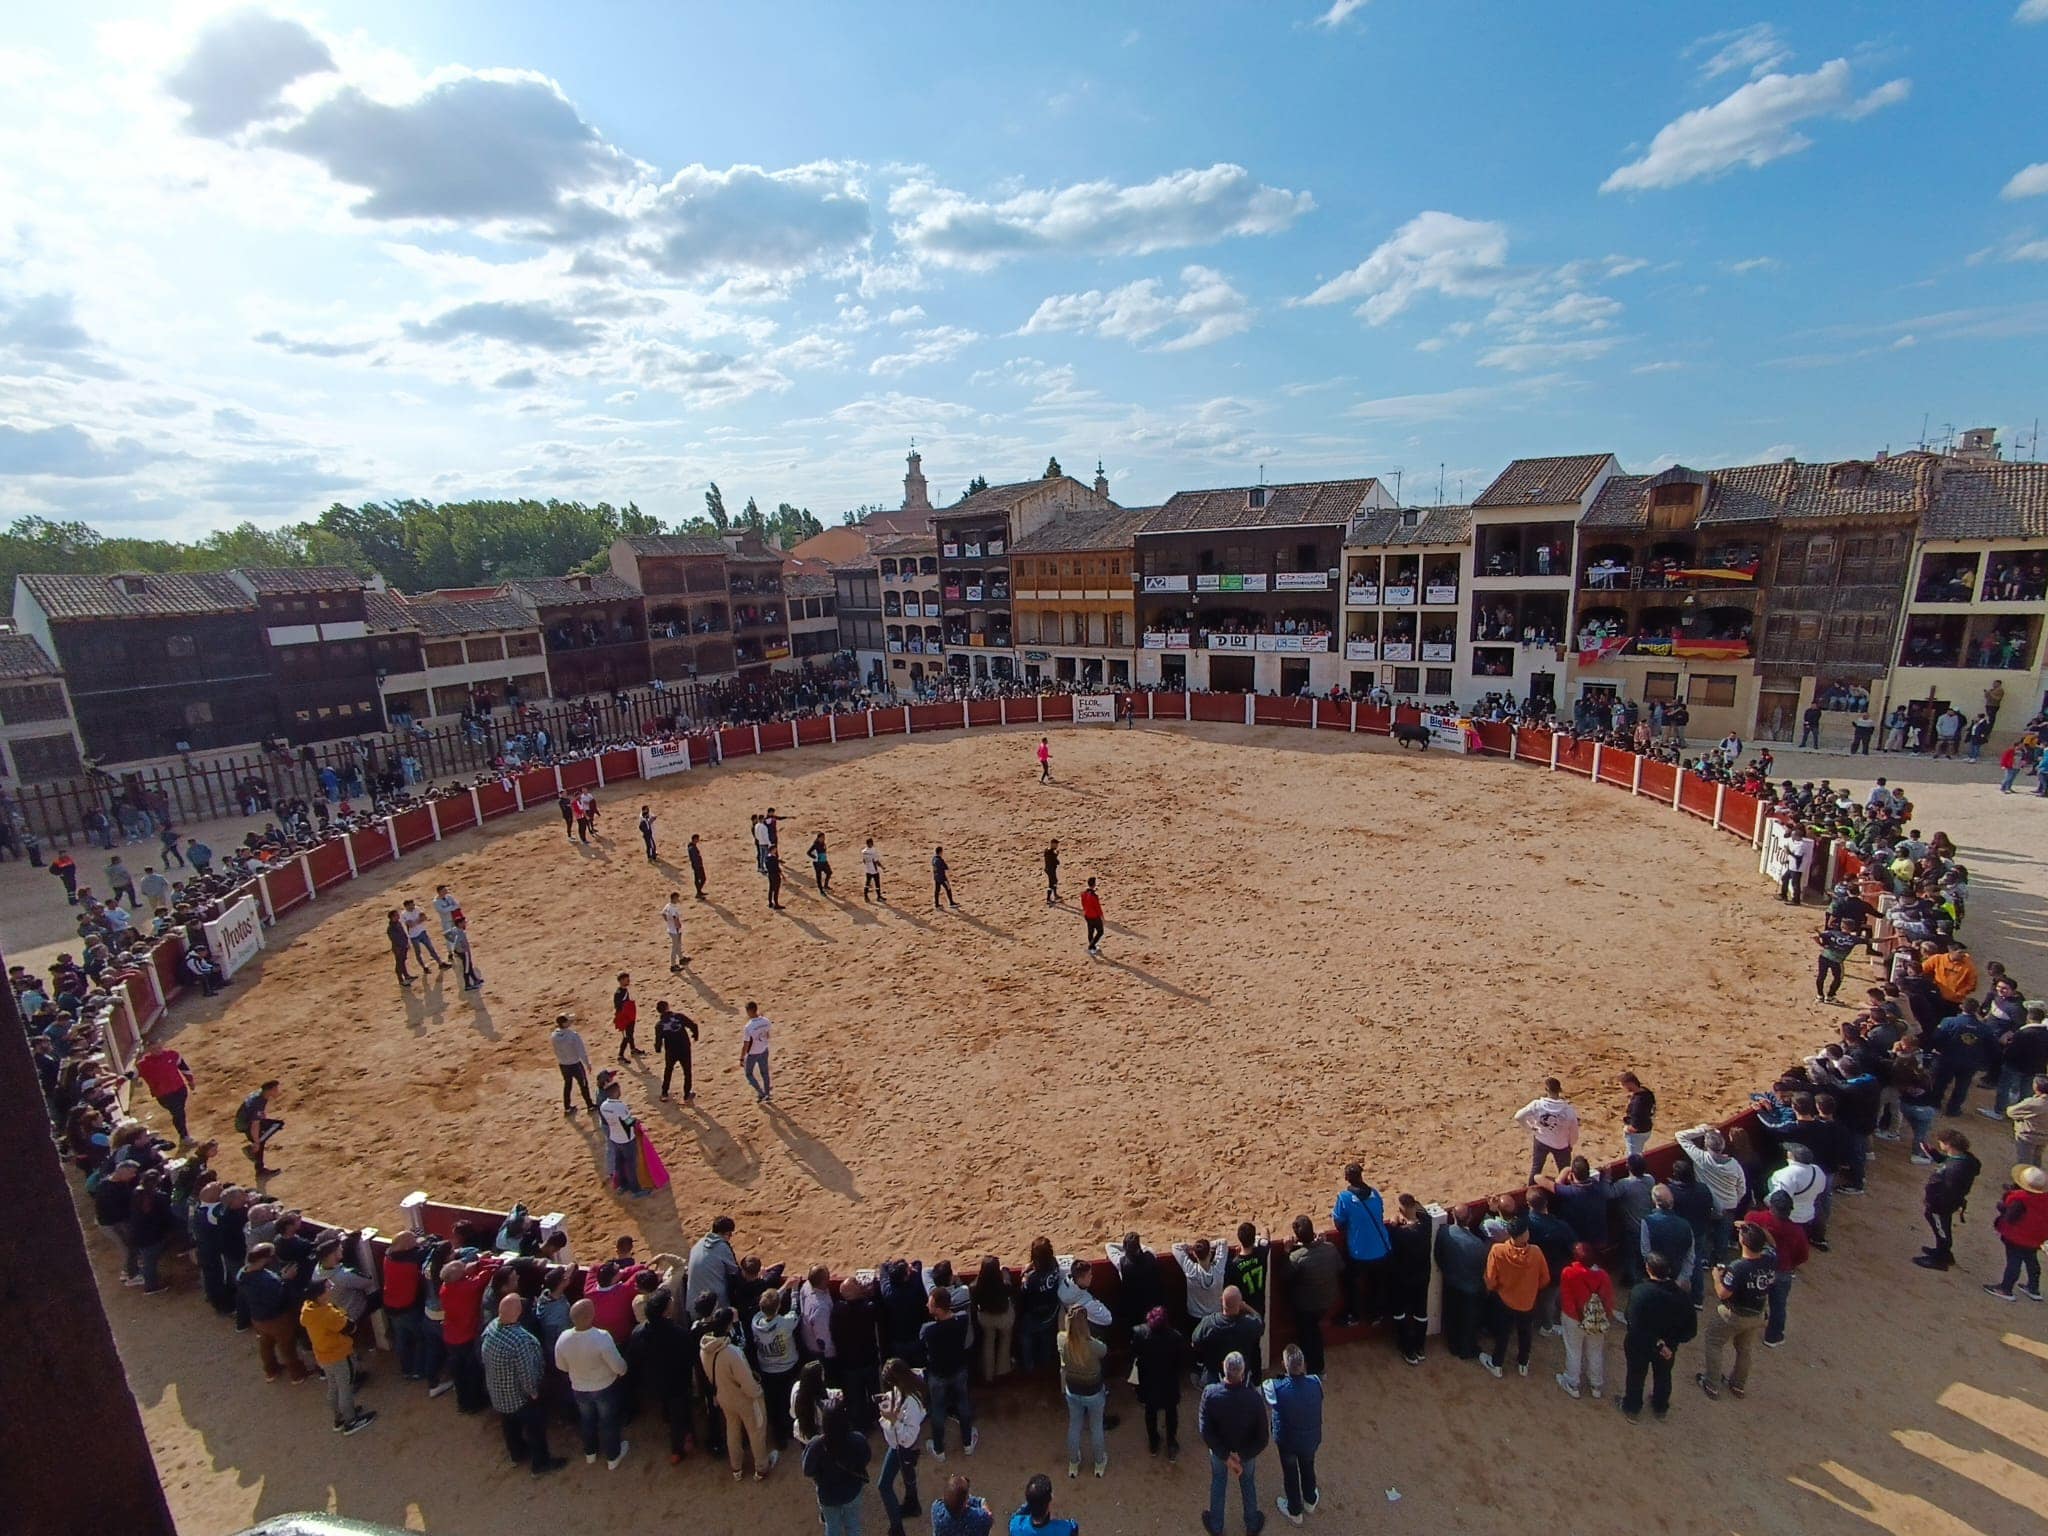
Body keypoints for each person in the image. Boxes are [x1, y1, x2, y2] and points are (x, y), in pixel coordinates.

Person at [1697, 1222, 1776, 1401]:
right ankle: (1738, 1385)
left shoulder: (1739, 1267)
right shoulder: (1770, 1259)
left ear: (1743, 1242)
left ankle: (1711, 1384)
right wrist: (1755, 1229)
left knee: (1714, 1342)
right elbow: (1773, 1244)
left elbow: (1723, 1293)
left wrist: (1717, 1278)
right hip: (1757, 1313)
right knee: (1744, 1349)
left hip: (1734, 1314)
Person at [483, 1292, 560, 1474]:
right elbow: (528, 1373)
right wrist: (533, 1392)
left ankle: (517, 1454)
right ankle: (540, 1464)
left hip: (498, 1393)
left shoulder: (492, 1326)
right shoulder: (521, 1340)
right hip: (520, 1398)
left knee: (510, 1426)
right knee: (535, 1429)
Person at [1617, 1251, 1695, 1422]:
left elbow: (1632, 1321)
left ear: (1648, 1268)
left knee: (1636, 1375)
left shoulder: (1641, 1292)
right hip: (1668, 1347)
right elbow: (1691, 1329)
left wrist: (1659, 1343)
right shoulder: (1682, 1296)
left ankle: (1632, 1408)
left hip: (1640, 1345)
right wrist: (1669, 1344)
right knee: (1663, 1376)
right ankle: (1660, 1407)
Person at [1198, 1352, 1268, 1536]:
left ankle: (1216, 1525)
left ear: (1223, 1367)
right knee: (1248, 1482)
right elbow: (1263, 1438)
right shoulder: (1254, 1399)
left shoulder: (1210, 1393)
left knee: (1218, 1481)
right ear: (1243, 1373)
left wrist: (1226, 1456)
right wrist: (1241, 1456)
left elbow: (1206, 1431)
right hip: (1245, 1452)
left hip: (1220, 1452)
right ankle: (1252, 1524)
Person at [556, 1296, 630, 1468]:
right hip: (603, 1387)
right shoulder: (601, 1337)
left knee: (587, 1420)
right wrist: (622, 1371)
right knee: (608, 1420)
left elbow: (561, 1366)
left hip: (579, 1387)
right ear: (590, 1316)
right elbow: (618, 1366)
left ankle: (590, 1452)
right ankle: (613, 1456)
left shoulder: (563, 1338)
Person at [703, 1305, 774, 1480]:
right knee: (756, 1430)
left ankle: (736, 1467)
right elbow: (747, 1382)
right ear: (728, 1326)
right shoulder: (732, 1352)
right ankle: (761, 1467)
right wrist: (758, 1392)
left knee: (732, 1429)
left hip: (723, 1395)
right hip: (742, 1397)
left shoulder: (704, 1347)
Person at [302, 1277, 376, 1435]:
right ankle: (351, 1421)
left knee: (333, 1387)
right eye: (328, 1287)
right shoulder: (328, 1314)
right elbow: (350, 1327)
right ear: (320, 1296)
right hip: (338, 1354)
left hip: (323, 1355)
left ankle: (339, 1417)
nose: (332, 1288)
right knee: (346, 1387)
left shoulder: (309, 1309)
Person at [1481, 1219, 1548, 1379]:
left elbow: (1490, 1280)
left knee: (1503, 1333)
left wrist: (1497, 1289)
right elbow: (1545, 1279)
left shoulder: (1498, 1250)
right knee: (1525, 1332)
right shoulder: (1536, 1252)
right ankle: (1523, 1363)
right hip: (1527, 1301)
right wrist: (1531, 1289)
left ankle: (1497, 1364)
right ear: (1526, 1234)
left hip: (1505, 1300)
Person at [1263, 1343, 1322, 1527]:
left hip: (1287, 1440)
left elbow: (1267, 1396)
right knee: (1308, 1466)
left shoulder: (1274, 1386)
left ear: (1283, 1364)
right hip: (1310, 1438)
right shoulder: (1315, 1382)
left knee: (1290, 1473)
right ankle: (1310, 1499)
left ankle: (1295, 1510)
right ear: (1303, 1365)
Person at [922, 1286, 978, 1460]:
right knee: (963, 1404)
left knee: (938, 1410)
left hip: (938, 1375)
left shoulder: (928, 1329)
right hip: (958, 1370)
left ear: (938, 1309)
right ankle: (967, 1443)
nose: (927, 1305)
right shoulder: (961, 1319)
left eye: (930, 1304)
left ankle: (939, 1449)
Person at [1331, 1164, 1391, 1326]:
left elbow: (1338, 1222)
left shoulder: (1344, 1198)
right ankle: (1376, 1314)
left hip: (1359, 1252)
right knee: (1377, 1283)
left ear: (1347, 1178)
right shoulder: (1375, 1194)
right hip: (1381, 1248)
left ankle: (1354, 1315)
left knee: (1352, 1284)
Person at [1749, 1190, 1810, 1347]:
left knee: (1751, 1298)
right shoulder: (1797, 1231)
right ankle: (1773, 1336)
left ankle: (1746, 1328)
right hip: (1782, 1271)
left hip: (1758, 1267)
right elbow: (1802, 1255)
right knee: (1778, 1305)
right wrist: (1789, 1264)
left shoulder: (1756, 1218)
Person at [803, 1398, 872, 1536]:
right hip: (852, 1491)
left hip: (828, 1495)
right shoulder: (857, 1439)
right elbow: (866, 1458)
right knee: (853, 1526)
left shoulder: (817, 1445)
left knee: (832, 1528)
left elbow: (807, 1470)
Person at [1555, 1242, 1615, 1400]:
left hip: (1574, 1317)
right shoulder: (1604, 1276)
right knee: (1595, 1351)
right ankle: (1596, 1385)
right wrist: (1605, 1317)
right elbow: (1608, 1300)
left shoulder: (1569, 1272)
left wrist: (1572, 1314)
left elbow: (1566, 1297)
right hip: (1597, 1317)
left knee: (1574, 1350)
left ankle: (1572, 1383)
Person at [1282, 1215, 1341, 1376]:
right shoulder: (1329, 1247)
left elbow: (1285, 1275)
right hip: (1328, 1299)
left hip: (1306, 1305)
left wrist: (1287, 1251)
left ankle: (1314, 1369)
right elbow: (1340, 1267)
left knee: (1309, 1334)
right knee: (1311, 1331)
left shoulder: (1296, 1257)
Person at [1916, 1129, 1982, 1270]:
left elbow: (1948, 1190)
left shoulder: (1954, 1169)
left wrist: (1933, 1202)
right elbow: (1947, 1161)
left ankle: (1941, 1259)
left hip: (1941, 1205)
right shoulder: (1966, 1159)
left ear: (1948, 1145)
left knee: (1942, 1230)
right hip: (1948, 1203)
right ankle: (1943, 1253)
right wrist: (1934, 1154)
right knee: (1942, 1227)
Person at [877, 1357, 929, 1536]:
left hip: (903, 1447)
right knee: (908, 1475)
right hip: (901, 1446)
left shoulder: (912, 1403)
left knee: (884, 1485)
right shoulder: (905, 1388)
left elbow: (908, 1437)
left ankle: (897, 1529)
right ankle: (912, 1504)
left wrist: (893, 1420)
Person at [1058, 1303, 1108, 1478]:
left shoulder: (1062, 1340)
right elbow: (1104, 1351)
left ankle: (1073, 1463)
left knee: (1074, 1426)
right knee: (1096, 1427)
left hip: (1073, 1389)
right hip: (1093, 1390)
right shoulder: (1093, 1345)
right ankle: (1099, 1463)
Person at [1985, 1164, 2048, 1300]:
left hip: (2017, 1237)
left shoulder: (2019, 1199)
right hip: (2036, 1237)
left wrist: (2002, 1207)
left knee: (2014, 1261)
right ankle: (2033, 1288)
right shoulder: (2045, 1199)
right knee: (2031, 1260)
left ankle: (2006, 1289)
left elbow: (2010, 1218)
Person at [1131, 1305, 1186, 1461]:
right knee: (1171, 1413)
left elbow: (1135, 1355)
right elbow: (1179, 1363)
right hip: (1168, 1382)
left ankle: (1153, 1442)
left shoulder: (1139, 1334)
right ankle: (1171, 1443)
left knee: (1150, 1412)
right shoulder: (1175, 1337)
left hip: (1148, 1383)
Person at [1386, 1194, 1433, 1365]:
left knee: (1400, 1312)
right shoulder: (1426, 1224)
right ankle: (1420, 1347)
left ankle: (1407, 1349)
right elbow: (1422, 1210)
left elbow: (1390, 1235)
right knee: (1421, 1312)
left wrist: (1394, 1219)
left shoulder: (1399, 1233)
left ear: (1400, 1210)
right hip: (1422, 1276)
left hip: (1403, 1279)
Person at [1515, 1078, 1580, 1179]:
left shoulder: (1537, 1105)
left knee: (1536, 1168)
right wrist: (1570, 1144)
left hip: (1541, 1140)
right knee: (1564, 1171)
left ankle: (1530, 1190)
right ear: (1560, 1090)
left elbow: (1518, 1116)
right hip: (1561, 1145)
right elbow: (1574, 1132)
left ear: (1546, 1089)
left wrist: (1531, 1128)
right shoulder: (1568, 1111)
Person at [134, 1044, 195, 1144]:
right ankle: (184, 1136)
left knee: (179, 1112)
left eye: (159, 1047)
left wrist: (190, 1081)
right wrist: (119, 1081)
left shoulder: (172, 1054)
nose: (158, 1050)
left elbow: (183, 1067)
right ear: (148, 1050)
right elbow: (131, 1075)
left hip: (180, 1089)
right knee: (178, 1112)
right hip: (164, 1095)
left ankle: (183, 1135)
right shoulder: (143, 1064)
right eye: (154, 1048)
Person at [600, 1080, 644, 1197]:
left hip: (614, 1137)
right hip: (626, 1139)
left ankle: (622, 1185)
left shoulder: (603, 1106)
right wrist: (636, 1121)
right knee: (631, 1165)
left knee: (618, 1163)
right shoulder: (620, 1106)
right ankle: (636, 1190)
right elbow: (628, 1122)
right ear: (616, 1092)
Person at [235, 1080, 284, 1177]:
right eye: (276, 1089)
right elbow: (255, 1124)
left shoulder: (259, 1094)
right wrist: (257, 1141)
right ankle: (254, 1151)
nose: (278, 1091)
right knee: (274, 1127)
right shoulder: (259, 1101)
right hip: (246, 1124)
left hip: (242, 1122)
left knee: (260, 1139)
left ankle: (260, 1168)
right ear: (270, 1090)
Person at [551, 1013, 597, 1115]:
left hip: (563, 1064)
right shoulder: (573, 1035)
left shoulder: (554, 1036)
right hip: (575, 1064)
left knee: (567, 1085)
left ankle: (567, 1107)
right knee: (583, 1084)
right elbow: (581, 1052)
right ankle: (590, 1105)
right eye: (568, 1021)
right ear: (564, 1023)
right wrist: (587, 1064)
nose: (571, 1021)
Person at [656, 1000, 700, 1103]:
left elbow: (658, 1040)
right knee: (687, 1071)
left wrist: (658, 1049)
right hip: (684, 1048)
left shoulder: (659, 1025)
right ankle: (686, 1094)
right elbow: (693, 1025)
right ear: (667, 1007)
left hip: (671, 1050)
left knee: (668, 1070)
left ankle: (664, 1093)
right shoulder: (679, 1016)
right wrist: (695, 1035)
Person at [1007, 1473, 1079, 1536]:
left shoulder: (1015, 1525)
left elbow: (1015, 1517)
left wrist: (1033, 1500)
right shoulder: (1066, 1529)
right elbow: (1073, 1526)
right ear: (1049, 1502)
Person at [400, 899, 449, 973]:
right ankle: (424, 967)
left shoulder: (417, 909)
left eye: (413, 904)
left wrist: (416, 922)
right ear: (406, 906)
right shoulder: (404, 914)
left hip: (422, 932)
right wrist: (418, 920)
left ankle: (440, 963)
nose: (413, 906)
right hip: (413, 936)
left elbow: (424, 918)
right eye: (411, 905)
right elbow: (411, 925)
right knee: (418, 952)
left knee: (431, 948)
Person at [742, 1001, 773, 1103]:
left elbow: (746, 1044)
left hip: (753, 1053)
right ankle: (767, 1094)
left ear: (749, 1011)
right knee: (765, 1073)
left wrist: (742, 1057)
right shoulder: (766, 1021)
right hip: (764, 1049)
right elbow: (767, 1035)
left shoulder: (748, 1026)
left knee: (749, 1074)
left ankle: (761, 1093)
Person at [1620, 1072, 1656, 1158]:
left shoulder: (1638, 1103)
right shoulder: (1646, 1092)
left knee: (1634, 1158)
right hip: (1647, 1128)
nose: (1623, 1087)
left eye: (1624, 1085)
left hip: (1638, 1134)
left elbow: (1634, 1127)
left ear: (1630, 1084)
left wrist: (1626, 1129)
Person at [613, 971, 644, 1062]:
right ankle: (620, 1055)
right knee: (627, 1036)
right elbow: (618, 1007)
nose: (628, 981)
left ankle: (633, 1049)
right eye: (626, 980)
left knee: (630, 1033)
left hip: (629, 1016)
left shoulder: (624, 990)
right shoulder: (618, 993)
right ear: (621, 981)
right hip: (624, 1018)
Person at [385, 910, 414, 986]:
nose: (398, 916)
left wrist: (407, 943)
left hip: (403, 946)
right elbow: (396, 939)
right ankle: (401, 980)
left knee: (402, 962)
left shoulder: (398, 923)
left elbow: (403, 934)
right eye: (396, 915)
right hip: (398, 948)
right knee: (399, 964)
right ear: (392, 917)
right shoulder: (390, 928)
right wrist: (404, 944)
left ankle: (407, 976)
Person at [662, 892, 689, 972]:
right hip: (675, 931)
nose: (678, 899)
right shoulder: (673, 908)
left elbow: (663, 913)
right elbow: (675, 918)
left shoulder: (668, 905)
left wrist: (667, 921)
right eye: (677, 898)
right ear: (674, 898)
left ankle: (681, 958)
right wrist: (678, 925)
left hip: (671, 929)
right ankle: (673, 965)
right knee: (675, 947)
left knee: (678, 945)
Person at [1080, 878, 1104, 955]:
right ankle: (1091, 946)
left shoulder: (1083, 893)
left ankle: (1092, 947)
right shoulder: (1094, 896)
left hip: (1087, 915)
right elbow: (1097, 907)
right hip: (1094, 916)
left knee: (1091, 931)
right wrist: (1101, 916)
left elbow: (1083, 904)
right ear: (1094, 885)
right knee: (1100, 931)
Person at [862, 837, 885, 902]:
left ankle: (866, 896)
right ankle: (878, 896)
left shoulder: (864, 851)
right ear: (871, 843)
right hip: (874, 870)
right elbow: (876, 861)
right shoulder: (873, 851)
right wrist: (882, 867)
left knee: (867, 883)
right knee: (877, 883)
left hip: (868, 870)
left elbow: (864, 861)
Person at [765, 843, 785, 910]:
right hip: (775, 875)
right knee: (776, 890)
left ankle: (770, 903)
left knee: (771, 889)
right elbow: (777, 868)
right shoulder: (774, 858)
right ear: (772, 850)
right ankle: (776, 904)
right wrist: (782, 875)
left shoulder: (767, 857)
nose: (776, 850)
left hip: (770, 875)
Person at [688, 833, 707, 898]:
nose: (698, 840)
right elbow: (694, 858)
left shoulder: (692, 846)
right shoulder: (692, 848)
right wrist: (698, 865)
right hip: (697, 866)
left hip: (696, 865)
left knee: (698, 879)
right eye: (697, 839)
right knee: (702, 879)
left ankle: (699, 892)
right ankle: (698, 892)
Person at [1043, 840, 1060, 904]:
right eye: (1056, 845)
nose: (1057, 846)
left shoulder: (1047, 850)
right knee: (1051, 884)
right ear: (1052, 844)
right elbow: (1055, 861)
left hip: (1049, 869)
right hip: (1050, 870)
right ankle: (1048, 899)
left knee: (1055, 881)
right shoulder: (1051, 852)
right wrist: (1056, 855)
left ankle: (1055, 895)